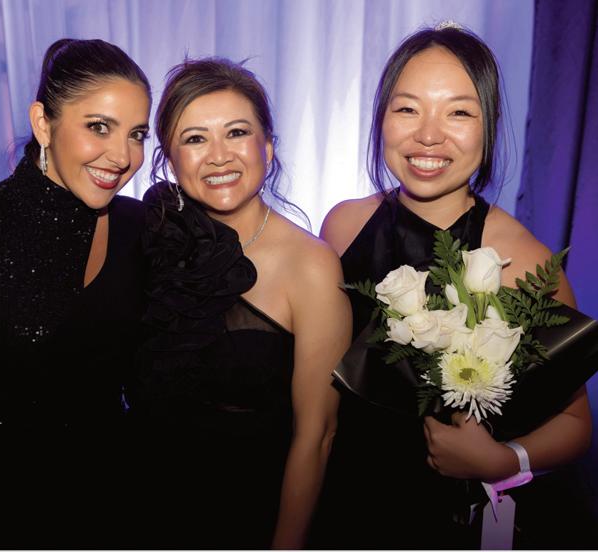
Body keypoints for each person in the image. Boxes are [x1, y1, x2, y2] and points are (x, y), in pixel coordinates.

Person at [315, 24, 593, 548]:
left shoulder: (524, 262)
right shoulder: (343, 225)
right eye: (408, 108)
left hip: (444, 520)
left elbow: (576, 423)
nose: (428, 135)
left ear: (488, 126)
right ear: (381, 117)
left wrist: (503, 460)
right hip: (342, 503)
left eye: (458, 113)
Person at [0, 38, 151, 547]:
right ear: (43, 124)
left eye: (136, 134)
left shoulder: (141, 227)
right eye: (99, 127)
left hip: (111, 511)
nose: (122, 156)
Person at [127, 57, 351, 549]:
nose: (218, 156)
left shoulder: (310, 266)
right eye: (195, 138)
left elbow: (317, 436)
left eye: (236, 132)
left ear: (267, 147)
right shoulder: (150, 243)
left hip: (248, 518)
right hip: (142, 510)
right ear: (170, 159)